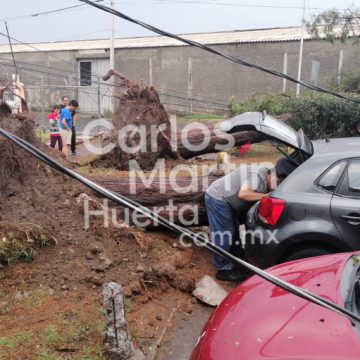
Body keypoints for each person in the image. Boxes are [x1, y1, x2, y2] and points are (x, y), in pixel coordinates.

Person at [205, 164, 280, 282]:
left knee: (234, 231)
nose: (277, 186)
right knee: (224, 234)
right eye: (278, 182)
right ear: (271, 175)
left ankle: (238, 260)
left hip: (228, 201)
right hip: (218, 198)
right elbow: (243, 194)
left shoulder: (265, 175)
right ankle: (223, 269)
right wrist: (265, 196)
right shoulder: (256, 177)